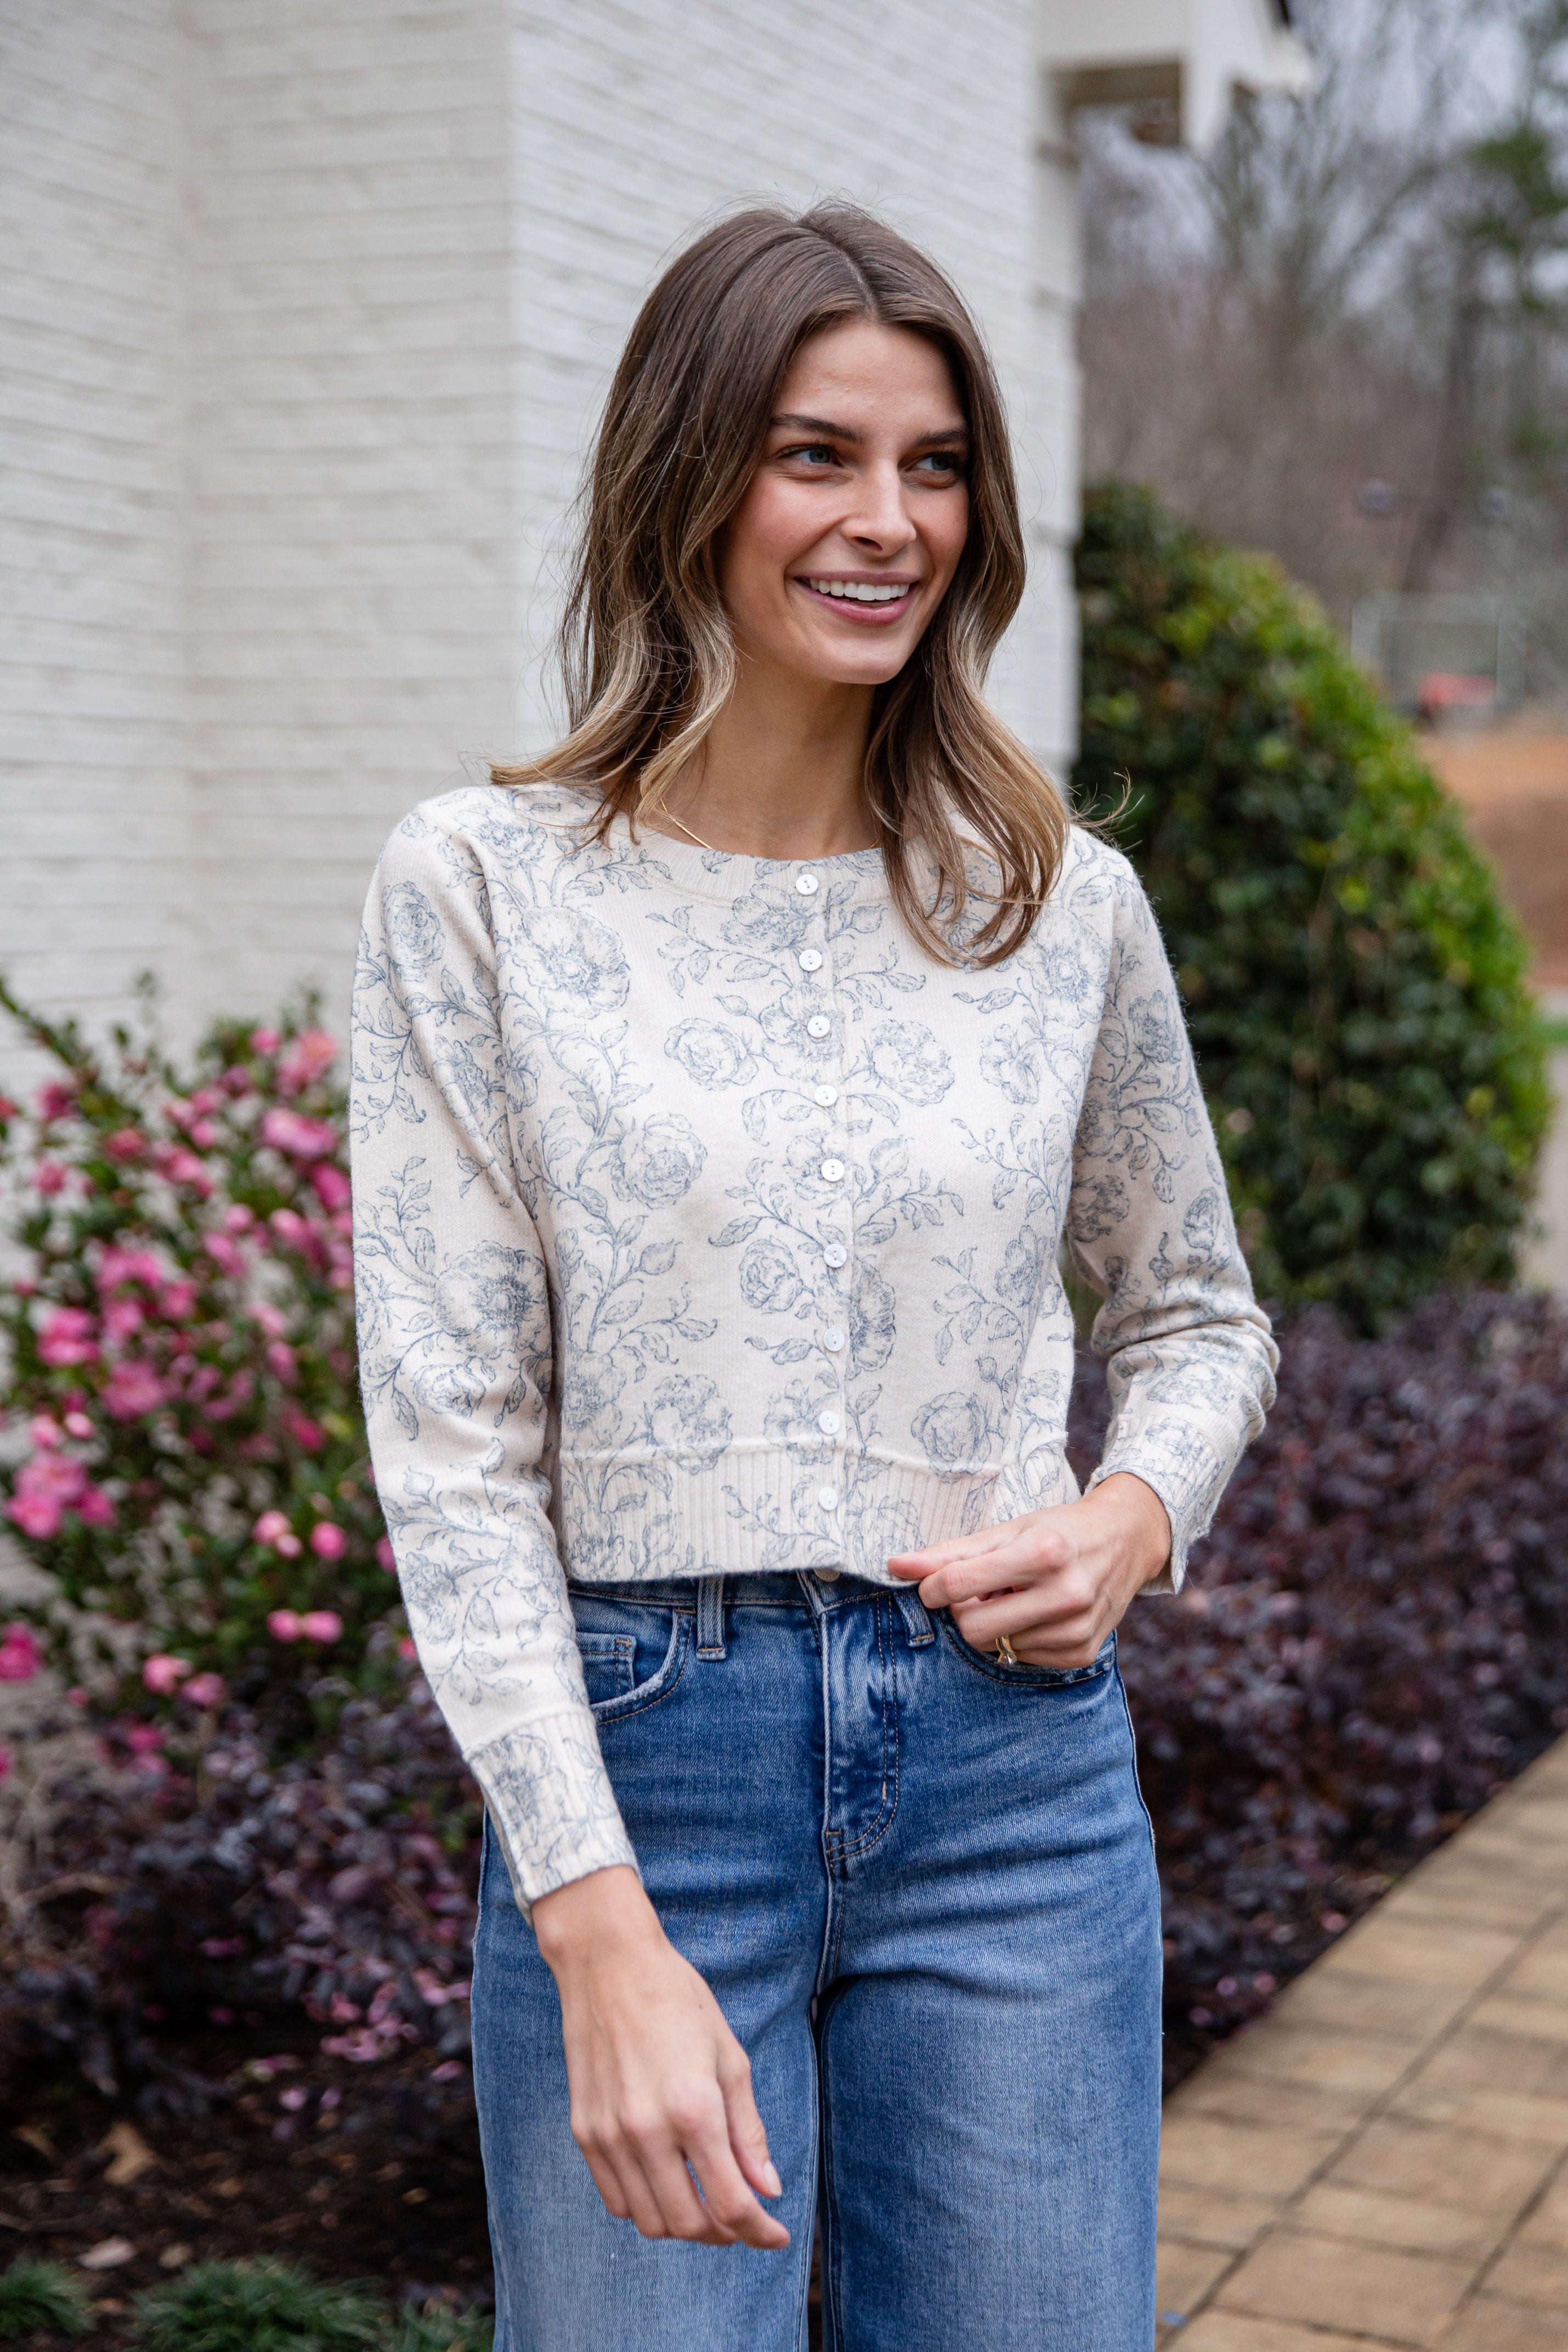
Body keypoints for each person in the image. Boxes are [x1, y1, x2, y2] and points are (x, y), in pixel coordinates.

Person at [350, 203, 1276, 2352]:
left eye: (934, 464)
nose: (888, 521)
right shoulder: (480, 894)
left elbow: (1195, 1313)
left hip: (1012, 1781)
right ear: (683, 474)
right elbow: (456, 1449)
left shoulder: (1059, 903)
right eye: (814, 455)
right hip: (640, 1769)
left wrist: (1132, 1516)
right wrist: (591, 1922)